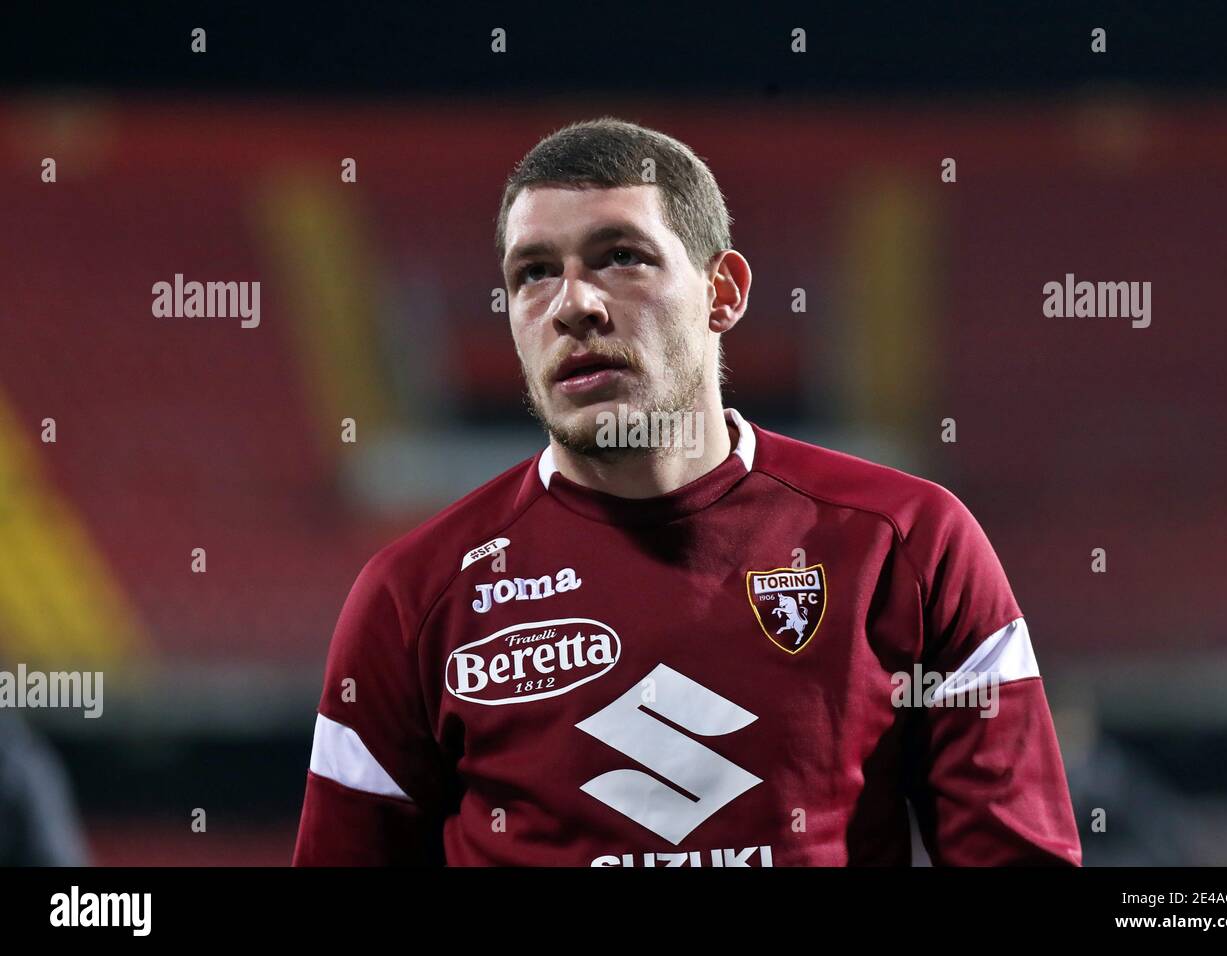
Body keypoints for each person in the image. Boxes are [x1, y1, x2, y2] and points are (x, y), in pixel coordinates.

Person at [292, 117, 1081, 866]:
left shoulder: (907, 544)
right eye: (534, 273)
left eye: (621, 256)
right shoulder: (414, 596)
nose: (575, 305)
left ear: (723, 292)